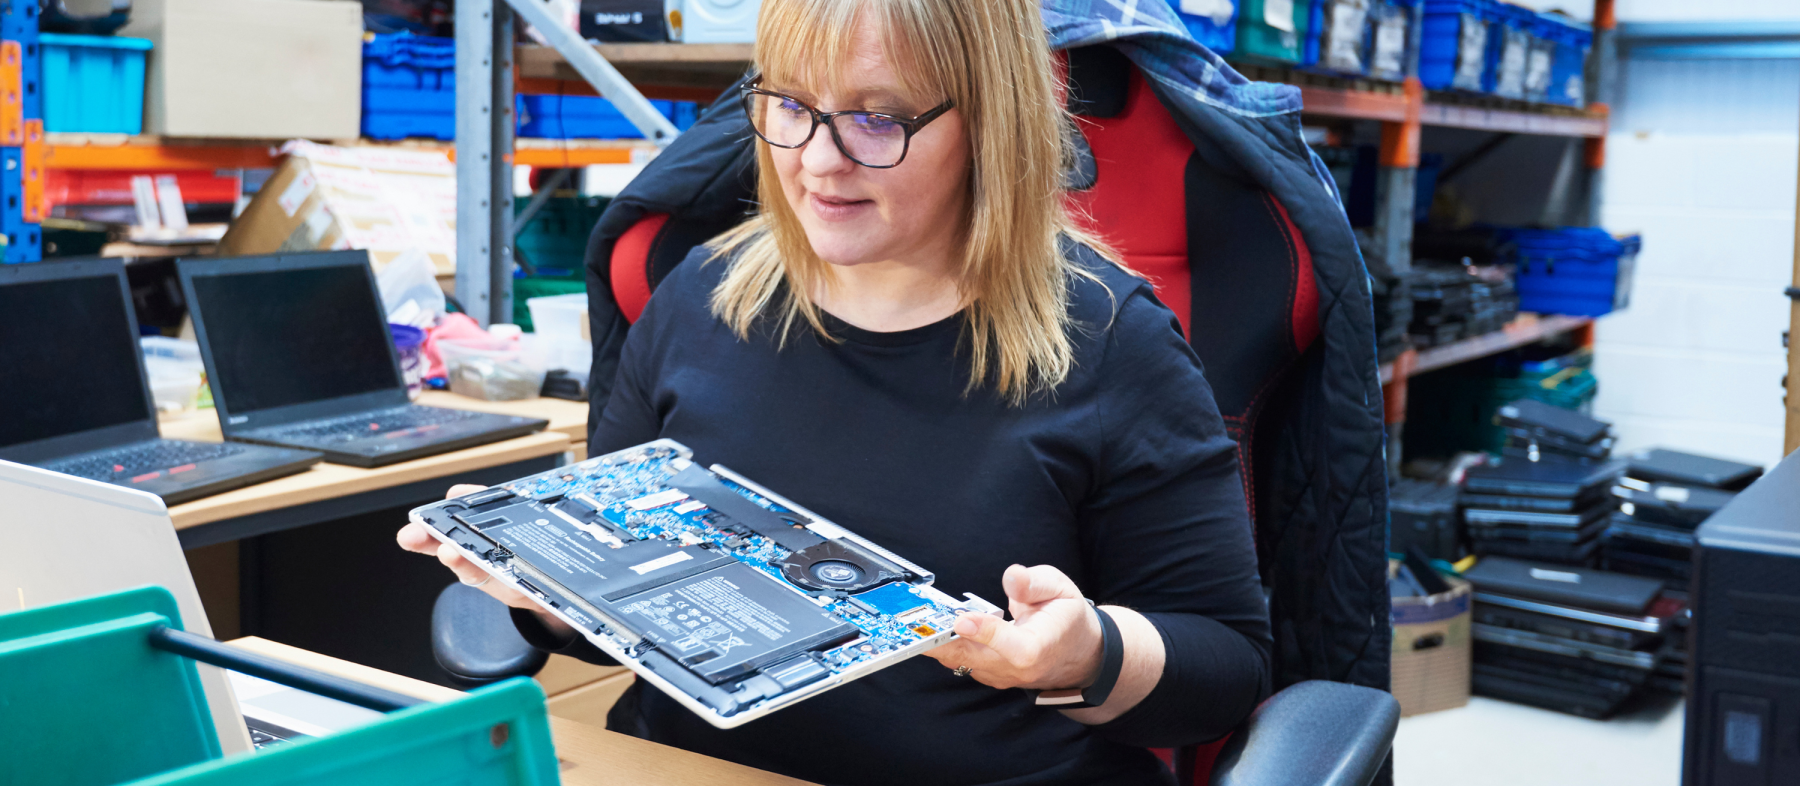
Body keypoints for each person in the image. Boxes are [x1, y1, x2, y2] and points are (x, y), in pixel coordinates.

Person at [399, 0, 1270, 782]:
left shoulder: (1109, 340)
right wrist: (548, 592)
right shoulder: (698, 299)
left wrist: (1084, 654)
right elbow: (632, 606)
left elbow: (1226, 666)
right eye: (790, 105)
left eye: (875, 118)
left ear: (991, 121)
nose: (819, 160)